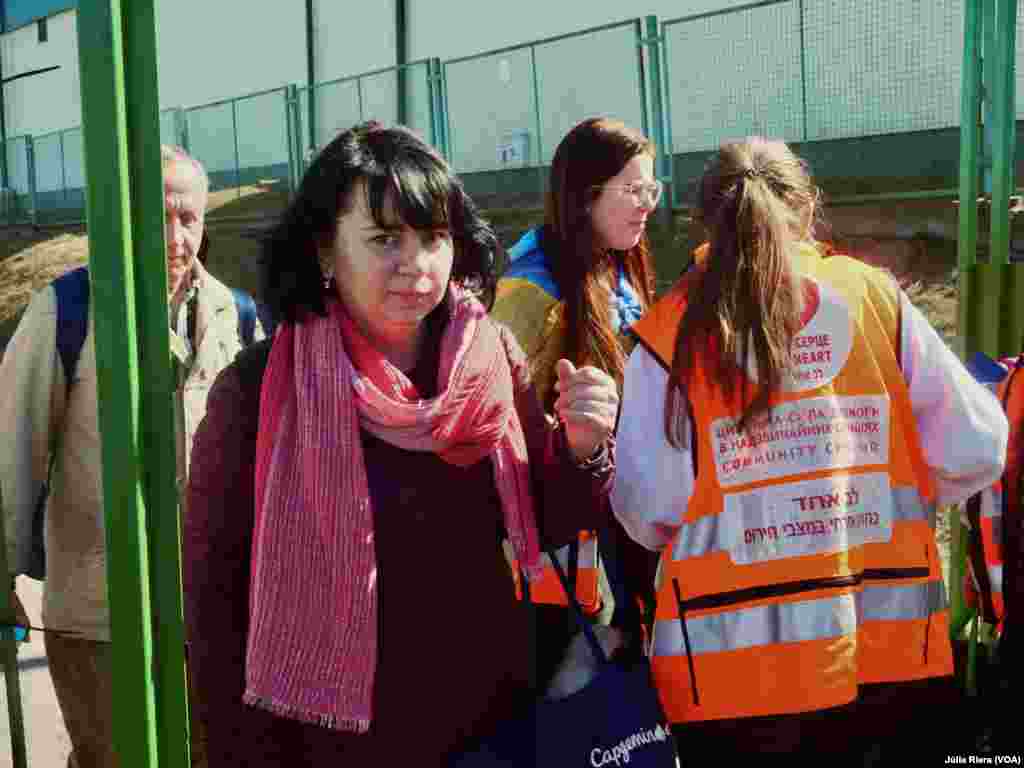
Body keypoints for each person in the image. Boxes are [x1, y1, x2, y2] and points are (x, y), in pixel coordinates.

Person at [181, 121, 620, 766]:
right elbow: (217, 614)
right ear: (326, 252)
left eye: (434, 237)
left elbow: (544, 517)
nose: (415, 264)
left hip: (489, 724)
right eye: (386, 239)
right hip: (326, 741)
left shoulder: (491, 357)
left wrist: (584, 449)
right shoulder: (254, 392)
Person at [611, 137, 1008, 761]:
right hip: (889, 663)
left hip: (728, 689)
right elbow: (977, 448)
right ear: (809, 205)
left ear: (700, 220)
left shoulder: (668, 334)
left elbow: (646, 510)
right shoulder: (877, 297)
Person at [0, 144, 263, 768]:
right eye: (157, 217)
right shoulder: (68, 310)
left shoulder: (237, 314)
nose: (176, 237)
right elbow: (11, 445)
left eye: (189, 218)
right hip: (98, 613)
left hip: (210, 607)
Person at [491, 116, 660, 677]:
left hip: (631, 531)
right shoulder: (532, 290)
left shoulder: (620, 271)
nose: (647, 204)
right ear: (586, 198)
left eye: (651, 188)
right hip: (570, 564)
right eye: (633, 190)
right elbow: (499, 427)